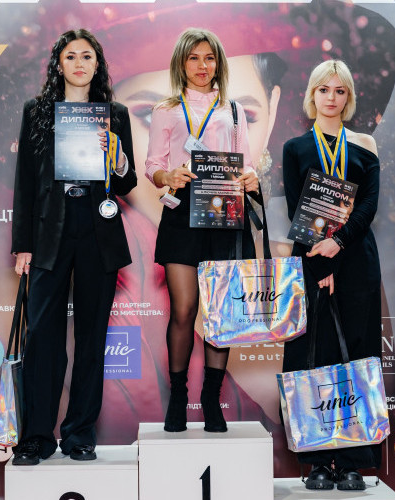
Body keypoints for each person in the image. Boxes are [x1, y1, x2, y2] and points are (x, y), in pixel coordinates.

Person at [10, 29, 137, 465]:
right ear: (58, 65)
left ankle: (80, 434)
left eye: (87, 56)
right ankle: (36, 437)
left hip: (98, 229)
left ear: (97, 64)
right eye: (70, 56)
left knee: (91, 338)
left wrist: (117, 155)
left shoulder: (115, 114)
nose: (79, 63)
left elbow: (127, 181)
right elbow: (26, 182)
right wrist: (22, 244)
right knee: (42, 337)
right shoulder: (37, 112)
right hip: (50, 231)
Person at [145, 28, 259, 433]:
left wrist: (251, 177)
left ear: (218, 63)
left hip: (224, 214)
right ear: (181, 62)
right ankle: (178, 397)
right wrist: (167, 175)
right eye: (193, 57)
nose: (202, 65)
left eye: (209, 57)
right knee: (184, 309)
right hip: (181, 215)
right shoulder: (166, 109)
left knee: (220, 313)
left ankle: (211, 399)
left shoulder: (233, 110)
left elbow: (246, 162)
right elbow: (152, 165)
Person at [282, 59, 382, 490]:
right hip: (312, 263)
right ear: (312, 94)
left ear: (349, 98)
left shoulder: (364, 145)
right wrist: (322, 264)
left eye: (340, 91)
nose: (331, 97)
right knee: (314, 358)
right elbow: (297, 211)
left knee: (356, 356)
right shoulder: (295, 148)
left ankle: (354, 461)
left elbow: (369, 205)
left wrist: (338, 245)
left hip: (356, 261)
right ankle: (318, 461)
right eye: (324, 89)